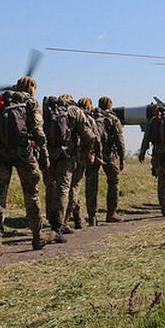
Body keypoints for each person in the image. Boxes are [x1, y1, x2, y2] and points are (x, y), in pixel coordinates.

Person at [0, 75, 51, 256]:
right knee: (31, 193)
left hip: (1, 154)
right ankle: (37, 236)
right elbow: (38, 132)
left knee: (0, 195)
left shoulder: (3, 103)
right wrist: (43, 154)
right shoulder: (31, 103)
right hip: (23, 154)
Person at [43, 94, 96, 243]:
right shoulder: (75, 111)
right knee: (64, 189)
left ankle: (51, 221)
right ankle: (58, 226)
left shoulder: (48, 110)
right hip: (67, 156)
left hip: (49, 155)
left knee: (50, 188)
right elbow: (90, 136)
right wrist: (86, 152)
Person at [85, 96, 127, 226]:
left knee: (91, 183)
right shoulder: (113, 119)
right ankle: (111, 213)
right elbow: (120, 141)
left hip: (92, 154)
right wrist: (122, 158)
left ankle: (92, 216)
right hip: (109, 155)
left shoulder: (90, 117)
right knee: (113, 181)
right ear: (110, 105)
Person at [65, 97, 99, 230]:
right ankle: (65, 220)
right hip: (78, 156)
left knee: (65, 187)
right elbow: (94, 138)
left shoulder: (62, 114)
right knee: (74, 187)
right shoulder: (85, 118)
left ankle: (77, 218)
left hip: (60, 155)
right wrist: (89, 153)